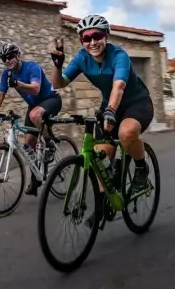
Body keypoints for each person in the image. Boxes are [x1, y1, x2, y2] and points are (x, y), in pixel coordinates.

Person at [48, 14, 154, 193]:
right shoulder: (82, 58)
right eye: (86, 38)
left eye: (97, 36)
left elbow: (118, 86)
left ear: (106, 36)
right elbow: (59, 84)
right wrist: (57, 67)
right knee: (100, 158)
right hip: (110, 105)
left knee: (126, 133)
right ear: (82, 40)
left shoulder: (119, 56)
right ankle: (102, 209)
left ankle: (141, 169)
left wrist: (111, 110)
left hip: (137, 103)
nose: (92, 42)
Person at [0, 43, 63, 196]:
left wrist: (18, 84)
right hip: (34, 105)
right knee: (28, 146)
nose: (8, 60)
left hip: (51, 99)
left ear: (18, 56)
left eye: (11, 56)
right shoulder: (7, 74)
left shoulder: (32, 67)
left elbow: (35, 88)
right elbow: (0, 94)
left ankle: (49, 143)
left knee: (34, 115)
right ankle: (36, 179)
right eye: (4, 58)